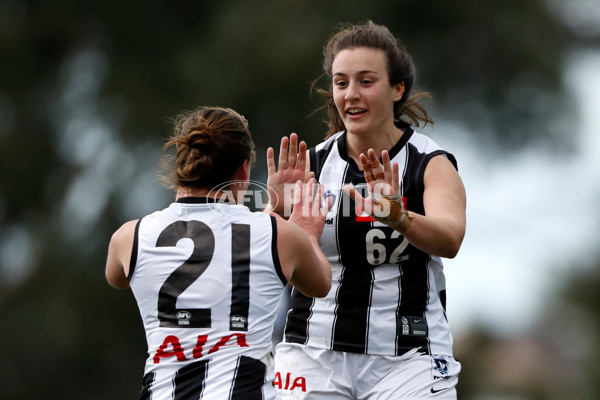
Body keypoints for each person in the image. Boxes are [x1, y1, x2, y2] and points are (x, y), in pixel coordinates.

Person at [268, 21, 467, 399]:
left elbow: (451, 238)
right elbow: (261, 260)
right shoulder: (309, 165)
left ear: (397, 88)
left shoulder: (430, 162)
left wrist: (400, 217)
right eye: (341, 83)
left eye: (366, 81)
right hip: (312, 353)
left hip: (409, 357)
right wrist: (273, 214)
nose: (351, 95)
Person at [105, 106, 332, 400]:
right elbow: (320, 283)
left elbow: (117, 278)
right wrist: (306, 233)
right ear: (244, 169)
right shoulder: (279, 235)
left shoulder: (128, 237)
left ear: (183, 164)